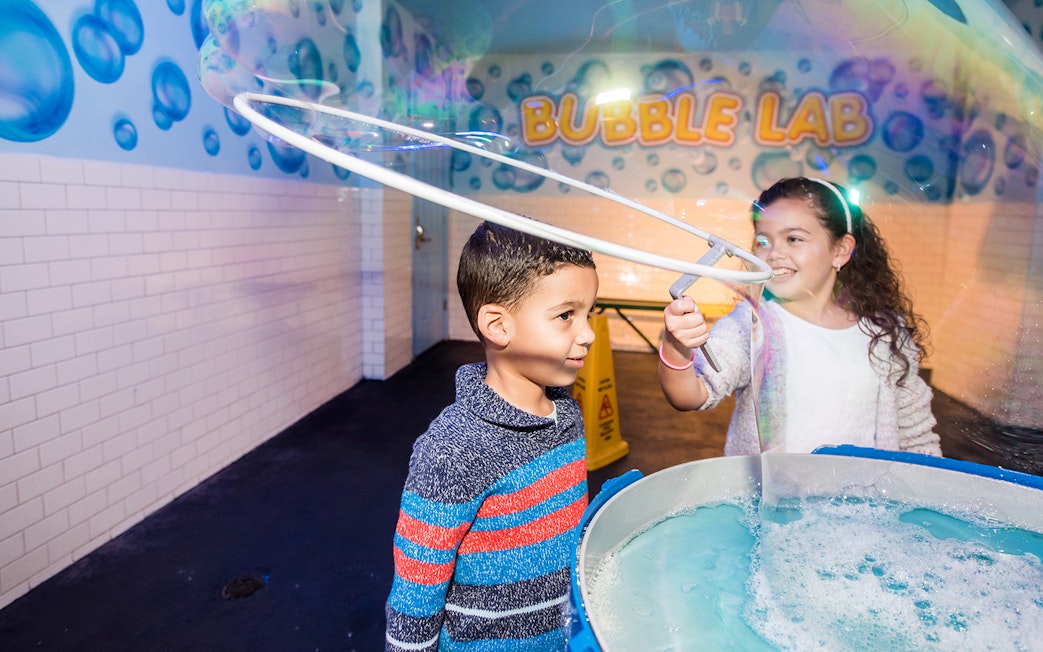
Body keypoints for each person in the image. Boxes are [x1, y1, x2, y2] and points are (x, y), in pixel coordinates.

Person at [385, 220, 599, 651]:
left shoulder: (568, 414)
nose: (589, 333)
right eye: (566, 316)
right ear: (498, 326)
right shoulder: (453, 450)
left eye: (590, 312)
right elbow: (416, 591)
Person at [659, 177, 942, 457]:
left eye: (793, 239)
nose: (774, 254)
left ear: (841, 250)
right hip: (775, 501)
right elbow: (691, 394)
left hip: (863, 501)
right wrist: (677, 347)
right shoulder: (752, 322)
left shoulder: (885, 335)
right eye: (763, 241)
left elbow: (915, 435)